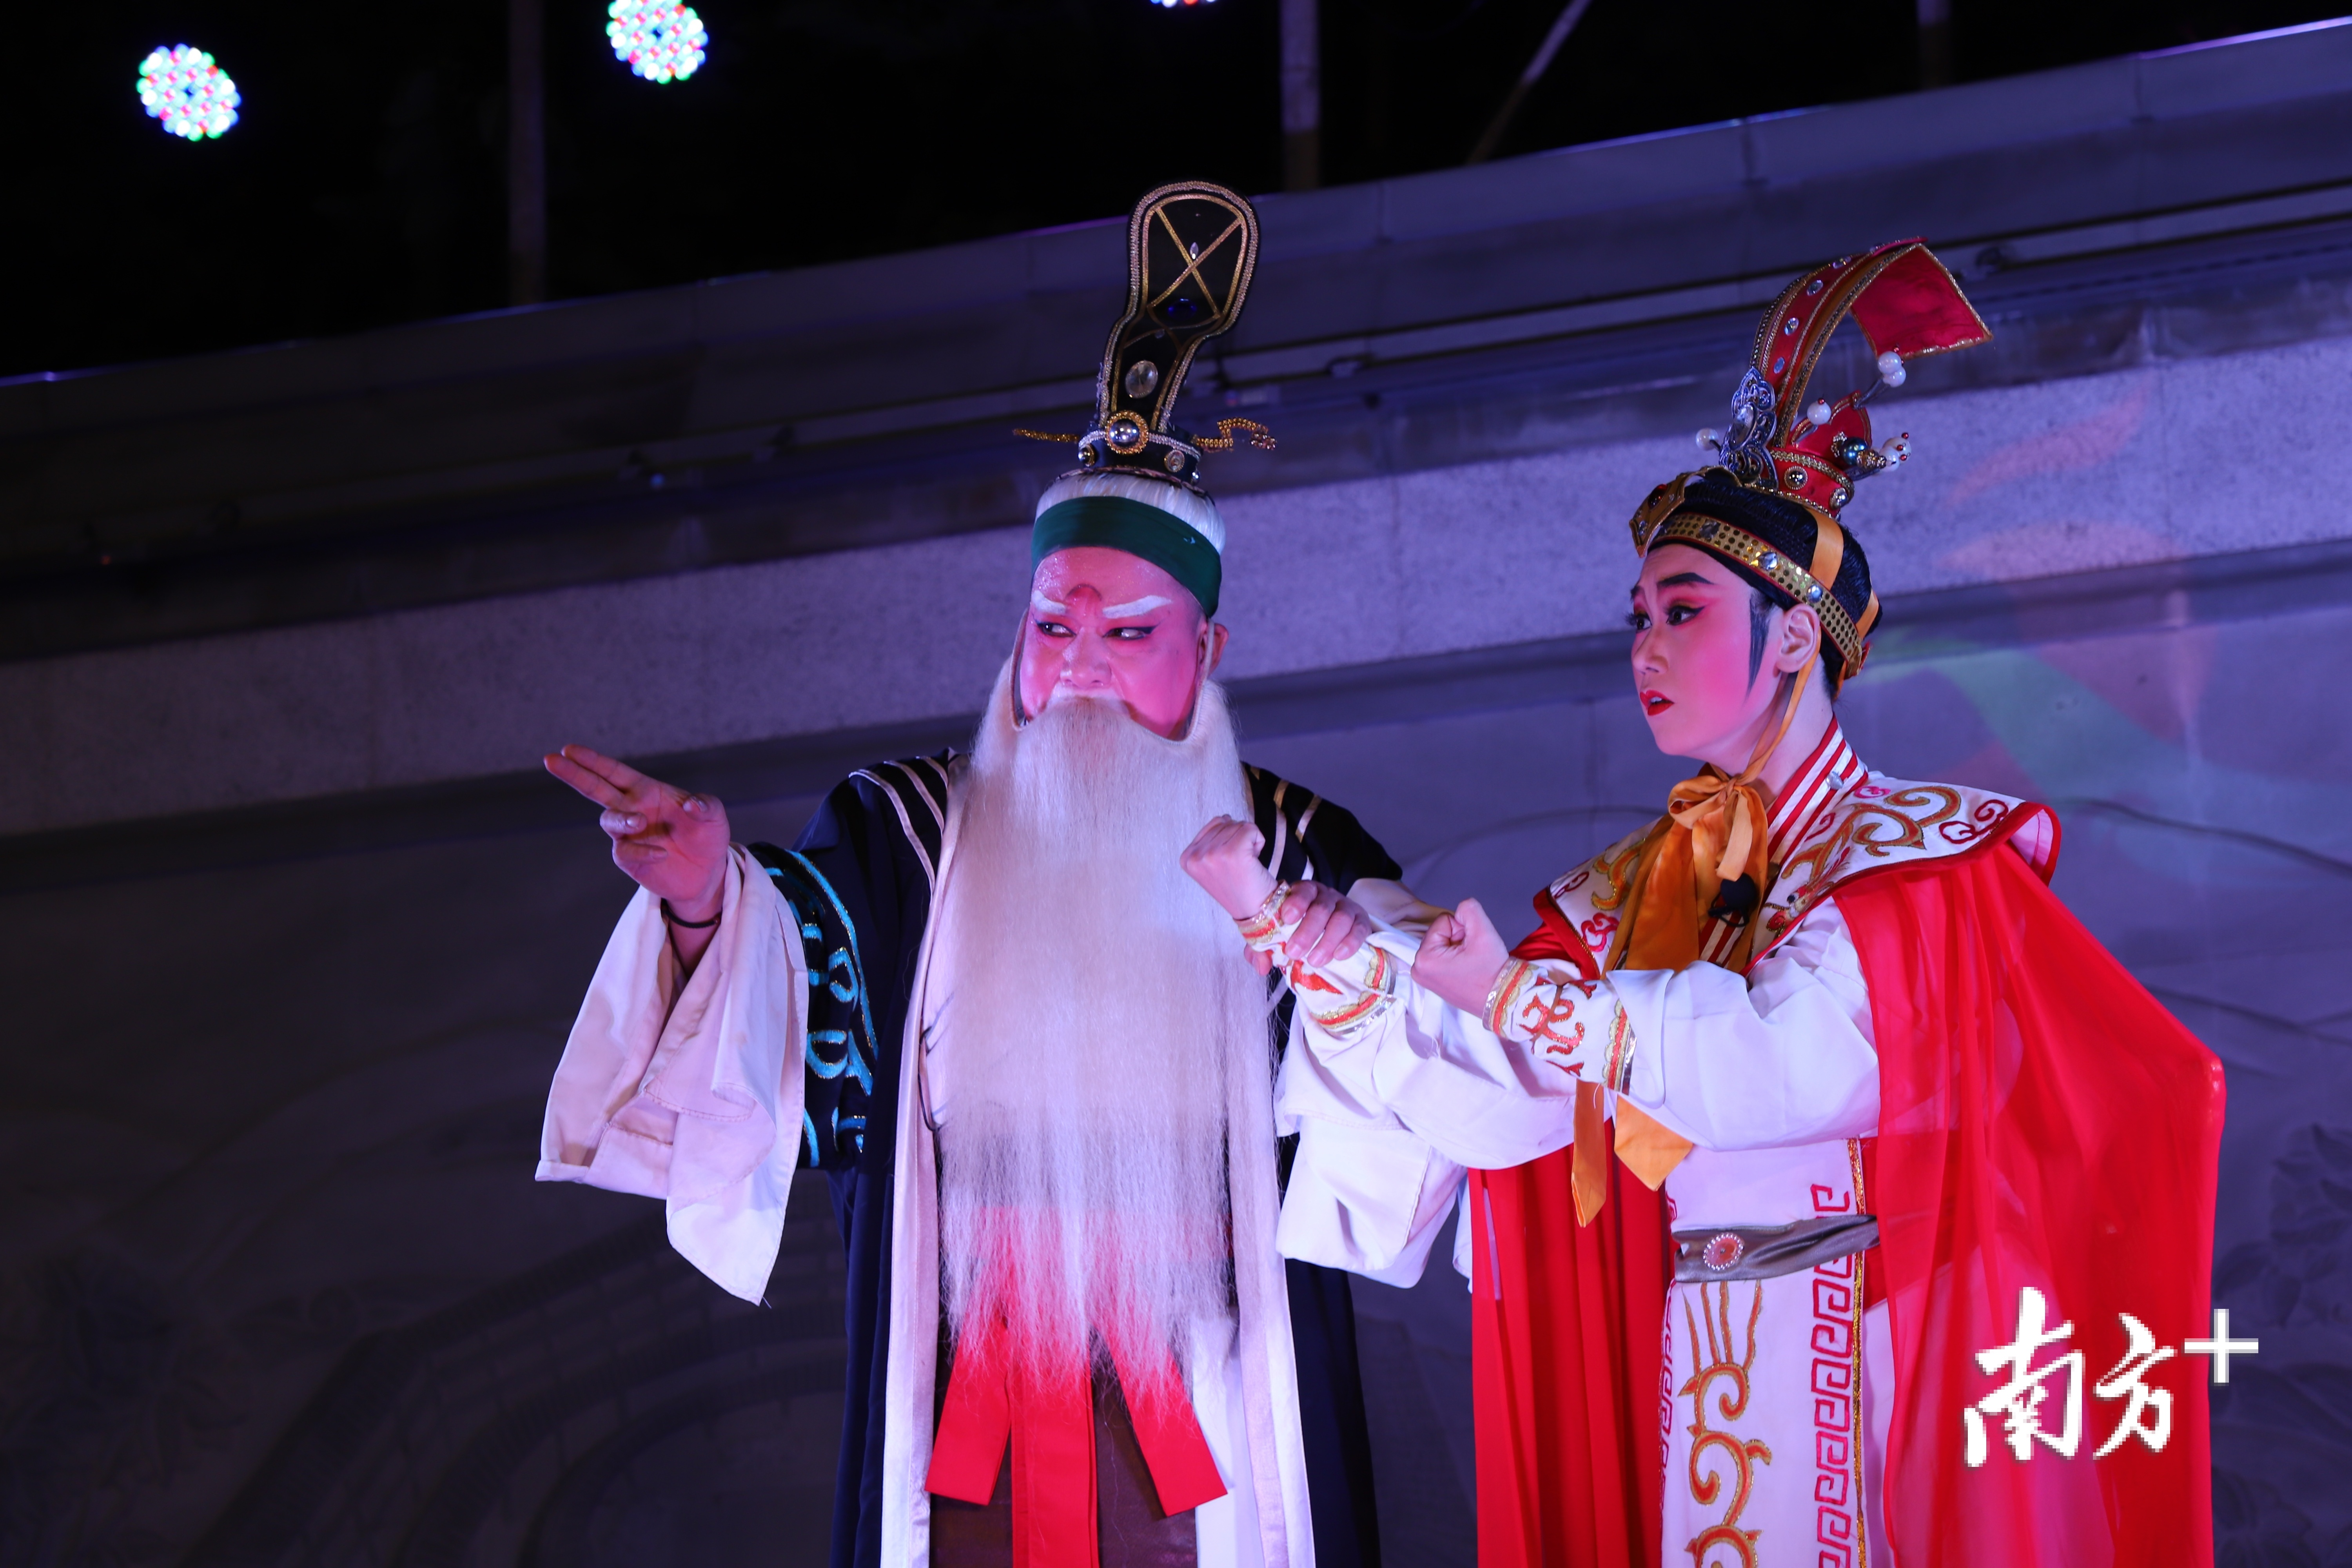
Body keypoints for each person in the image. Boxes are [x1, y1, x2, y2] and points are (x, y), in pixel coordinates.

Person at [1186, 241, 2227, 1567]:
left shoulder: (1925, 858)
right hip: (1712, 1349)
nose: (1646, 647)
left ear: (1795, 634)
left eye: (1683, 611)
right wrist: (1324, 958)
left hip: (1896, 1340)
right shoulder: (1638, 886)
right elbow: (1507, 1111)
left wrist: (1517, 994)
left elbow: (1795, 1067)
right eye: (1636, 618)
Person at [532, 182, 1423, 1568]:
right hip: (973, 1379)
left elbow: (1421, 1067)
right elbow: (800, 1024)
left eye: (1128, 631)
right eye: (1053, 626)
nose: (1080, 664)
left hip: (1214, 1371)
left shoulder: (1298, 851)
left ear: (1209, 651)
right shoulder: (909, 833)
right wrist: (707, 899)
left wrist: (1339, 957)